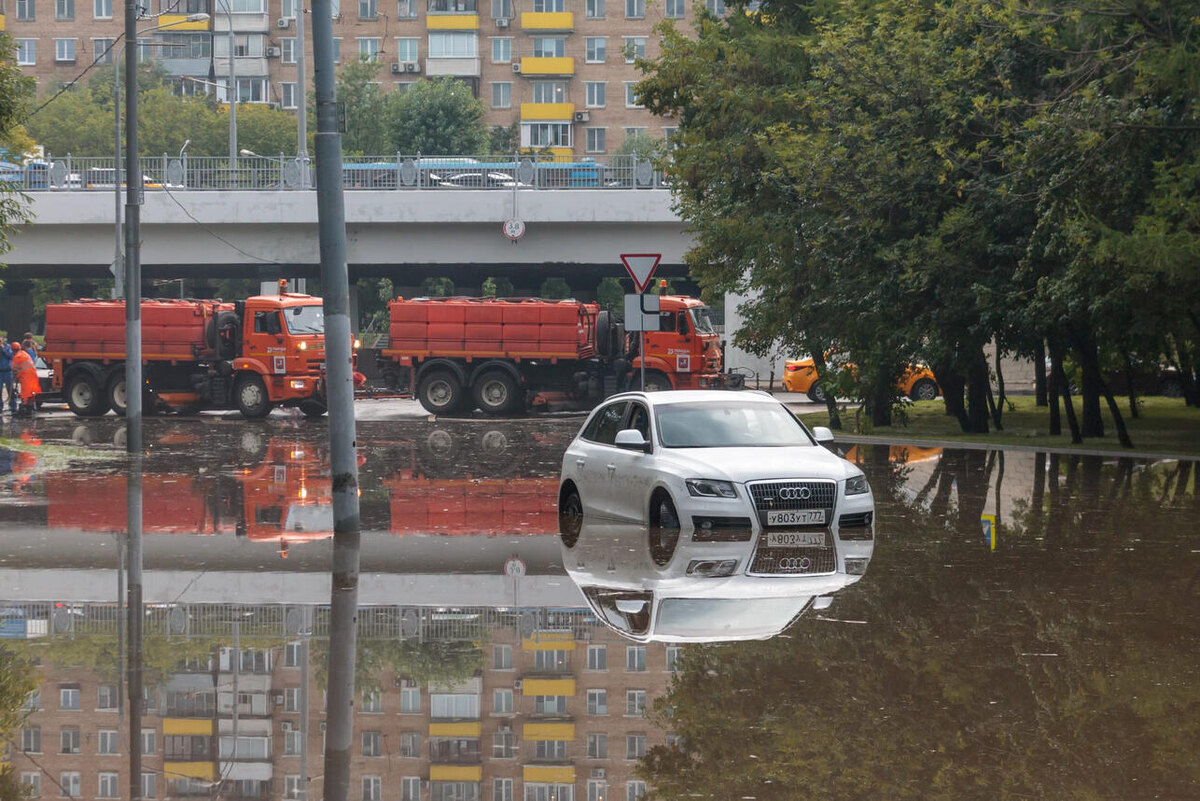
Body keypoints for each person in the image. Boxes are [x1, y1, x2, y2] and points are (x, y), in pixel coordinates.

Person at [10, 342, 38, 416]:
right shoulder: (24, 353)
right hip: (33, 375)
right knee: (31, 393)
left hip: (26, 377)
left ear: (13, 350)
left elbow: (13, 368)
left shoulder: (17, 357)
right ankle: (30, 409)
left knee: (25, 393)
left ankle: (23, 410)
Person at [0, 336, 15, 415]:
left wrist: (3, 349)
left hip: (8, 371)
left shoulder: (7, 347)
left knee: (10, 390)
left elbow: (11, 356)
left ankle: (13, 407)